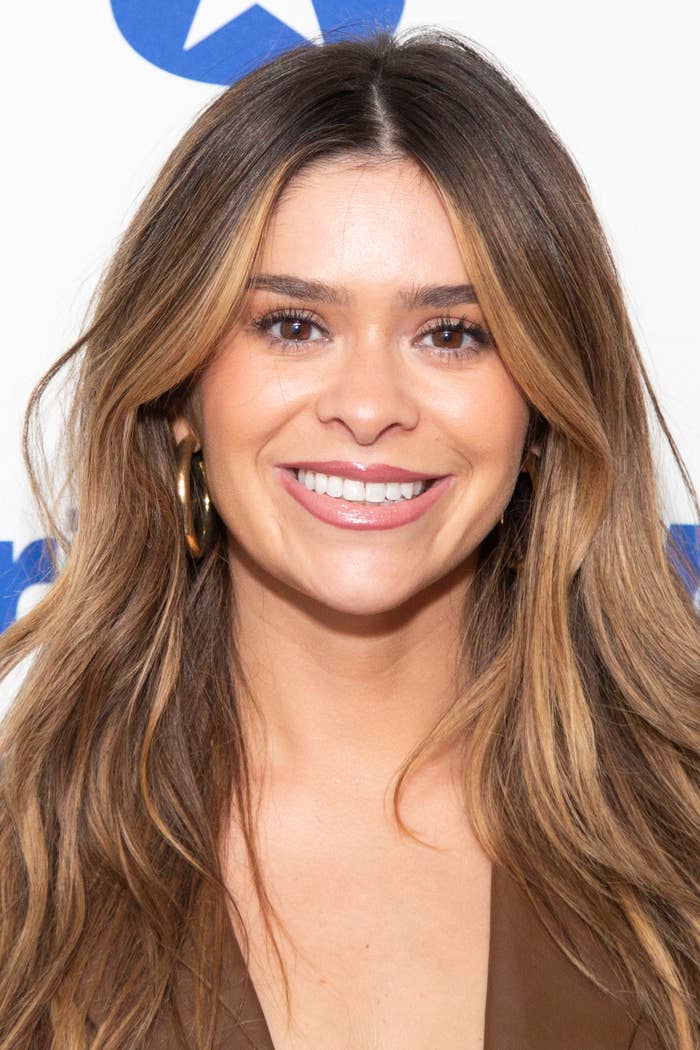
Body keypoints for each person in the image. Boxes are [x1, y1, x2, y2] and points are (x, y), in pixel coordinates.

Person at [0, 24, 697, 1050]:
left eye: (451, 334)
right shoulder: (25, 869)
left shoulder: (680, 839)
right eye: (292, 324)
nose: (368, 405)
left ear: (542, 413)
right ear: (182, 392)